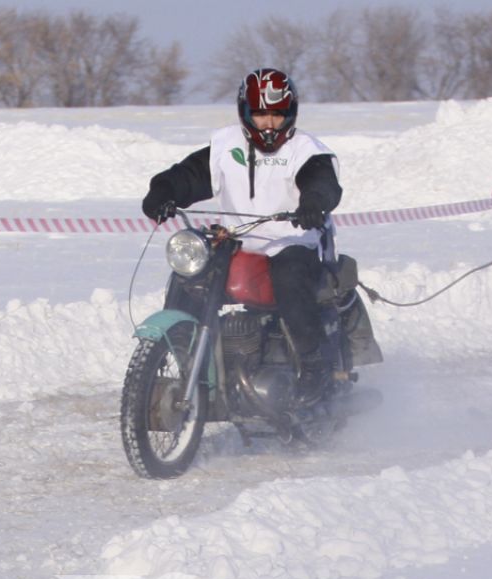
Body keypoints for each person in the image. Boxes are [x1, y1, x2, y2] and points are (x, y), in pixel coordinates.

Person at [140, 68, 342, 394]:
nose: (269, 123)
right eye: (260, 114)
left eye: (277, 115)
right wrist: (163, 192)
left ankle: (314, 367)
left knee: (290, 280)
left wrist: (313, 203)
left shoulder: (306, 150)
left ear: (290, 114)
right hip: (237, 240)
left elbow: (321, 182)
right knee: (189, 274)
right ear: (245, 113)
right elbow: (188, 175)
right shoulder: (225, 146)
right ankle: (185, 358)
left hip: (291, 241)